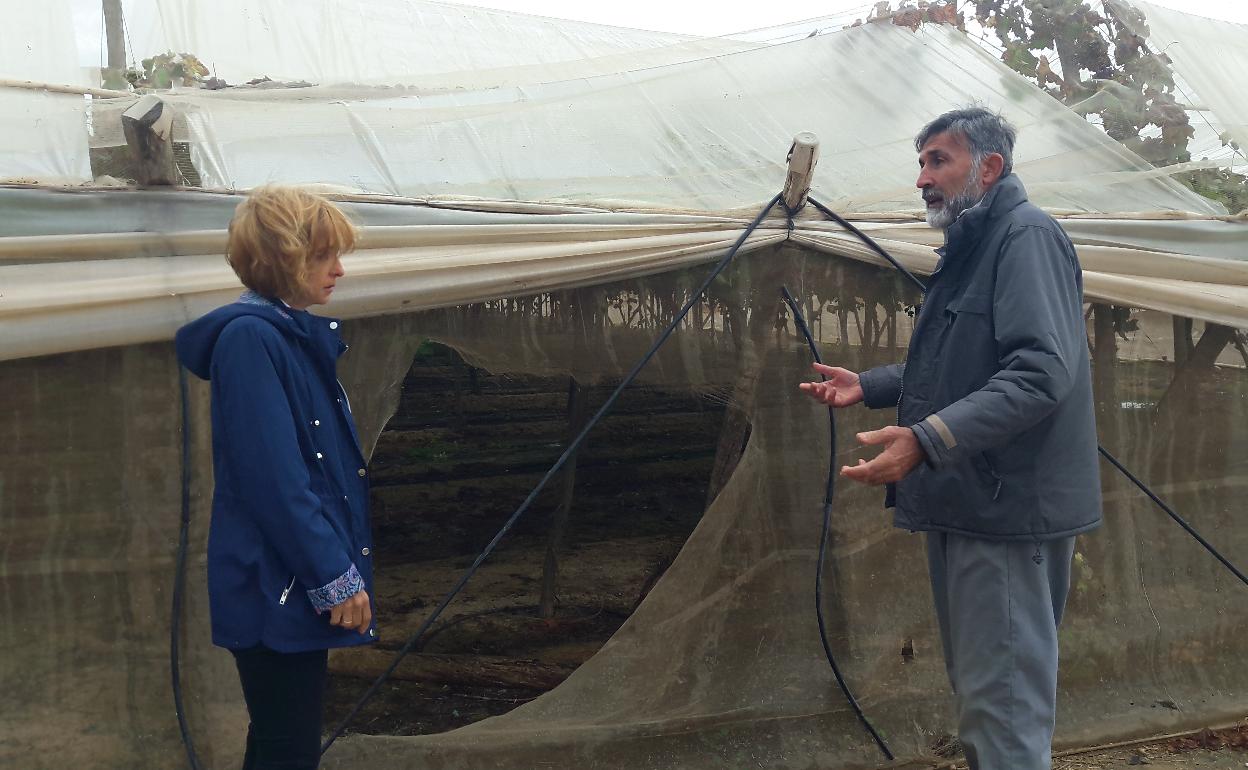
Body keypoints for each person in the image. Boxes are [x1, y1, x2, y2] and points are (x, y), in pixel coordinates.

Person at [800, 107, 1101, 770]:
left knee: (1005, 713)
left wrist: (927, 439)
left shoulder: (1025, 237)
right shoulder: (973, 247)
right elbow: (962, 363)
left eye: (939, 161)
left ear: (989, 168)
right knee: (985, 698)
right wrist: (871, 383)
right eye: (921, 163)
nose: (922, 179)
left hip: (1006, 513)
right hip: (973, 503)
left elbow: (1041, 372)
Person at [176, 186, 377, 770]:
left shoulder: (289, 334)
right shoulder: (252, 339)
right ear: (282, 259)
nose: (338, 270)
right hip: (274, 583)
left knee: (276, 743)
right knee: (288, 750)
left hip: (287, 578)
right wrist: (335, 577)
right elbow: (276, 481)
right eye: (322, 256)